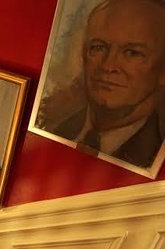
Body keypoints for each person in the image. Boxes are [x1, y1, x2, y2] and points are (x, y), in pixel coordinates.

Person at [53, 0, 165, 168]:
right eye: (99, 47)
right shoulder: (59, 129)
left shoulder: (152, 158)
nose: (108, 66)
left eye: (132, 53)